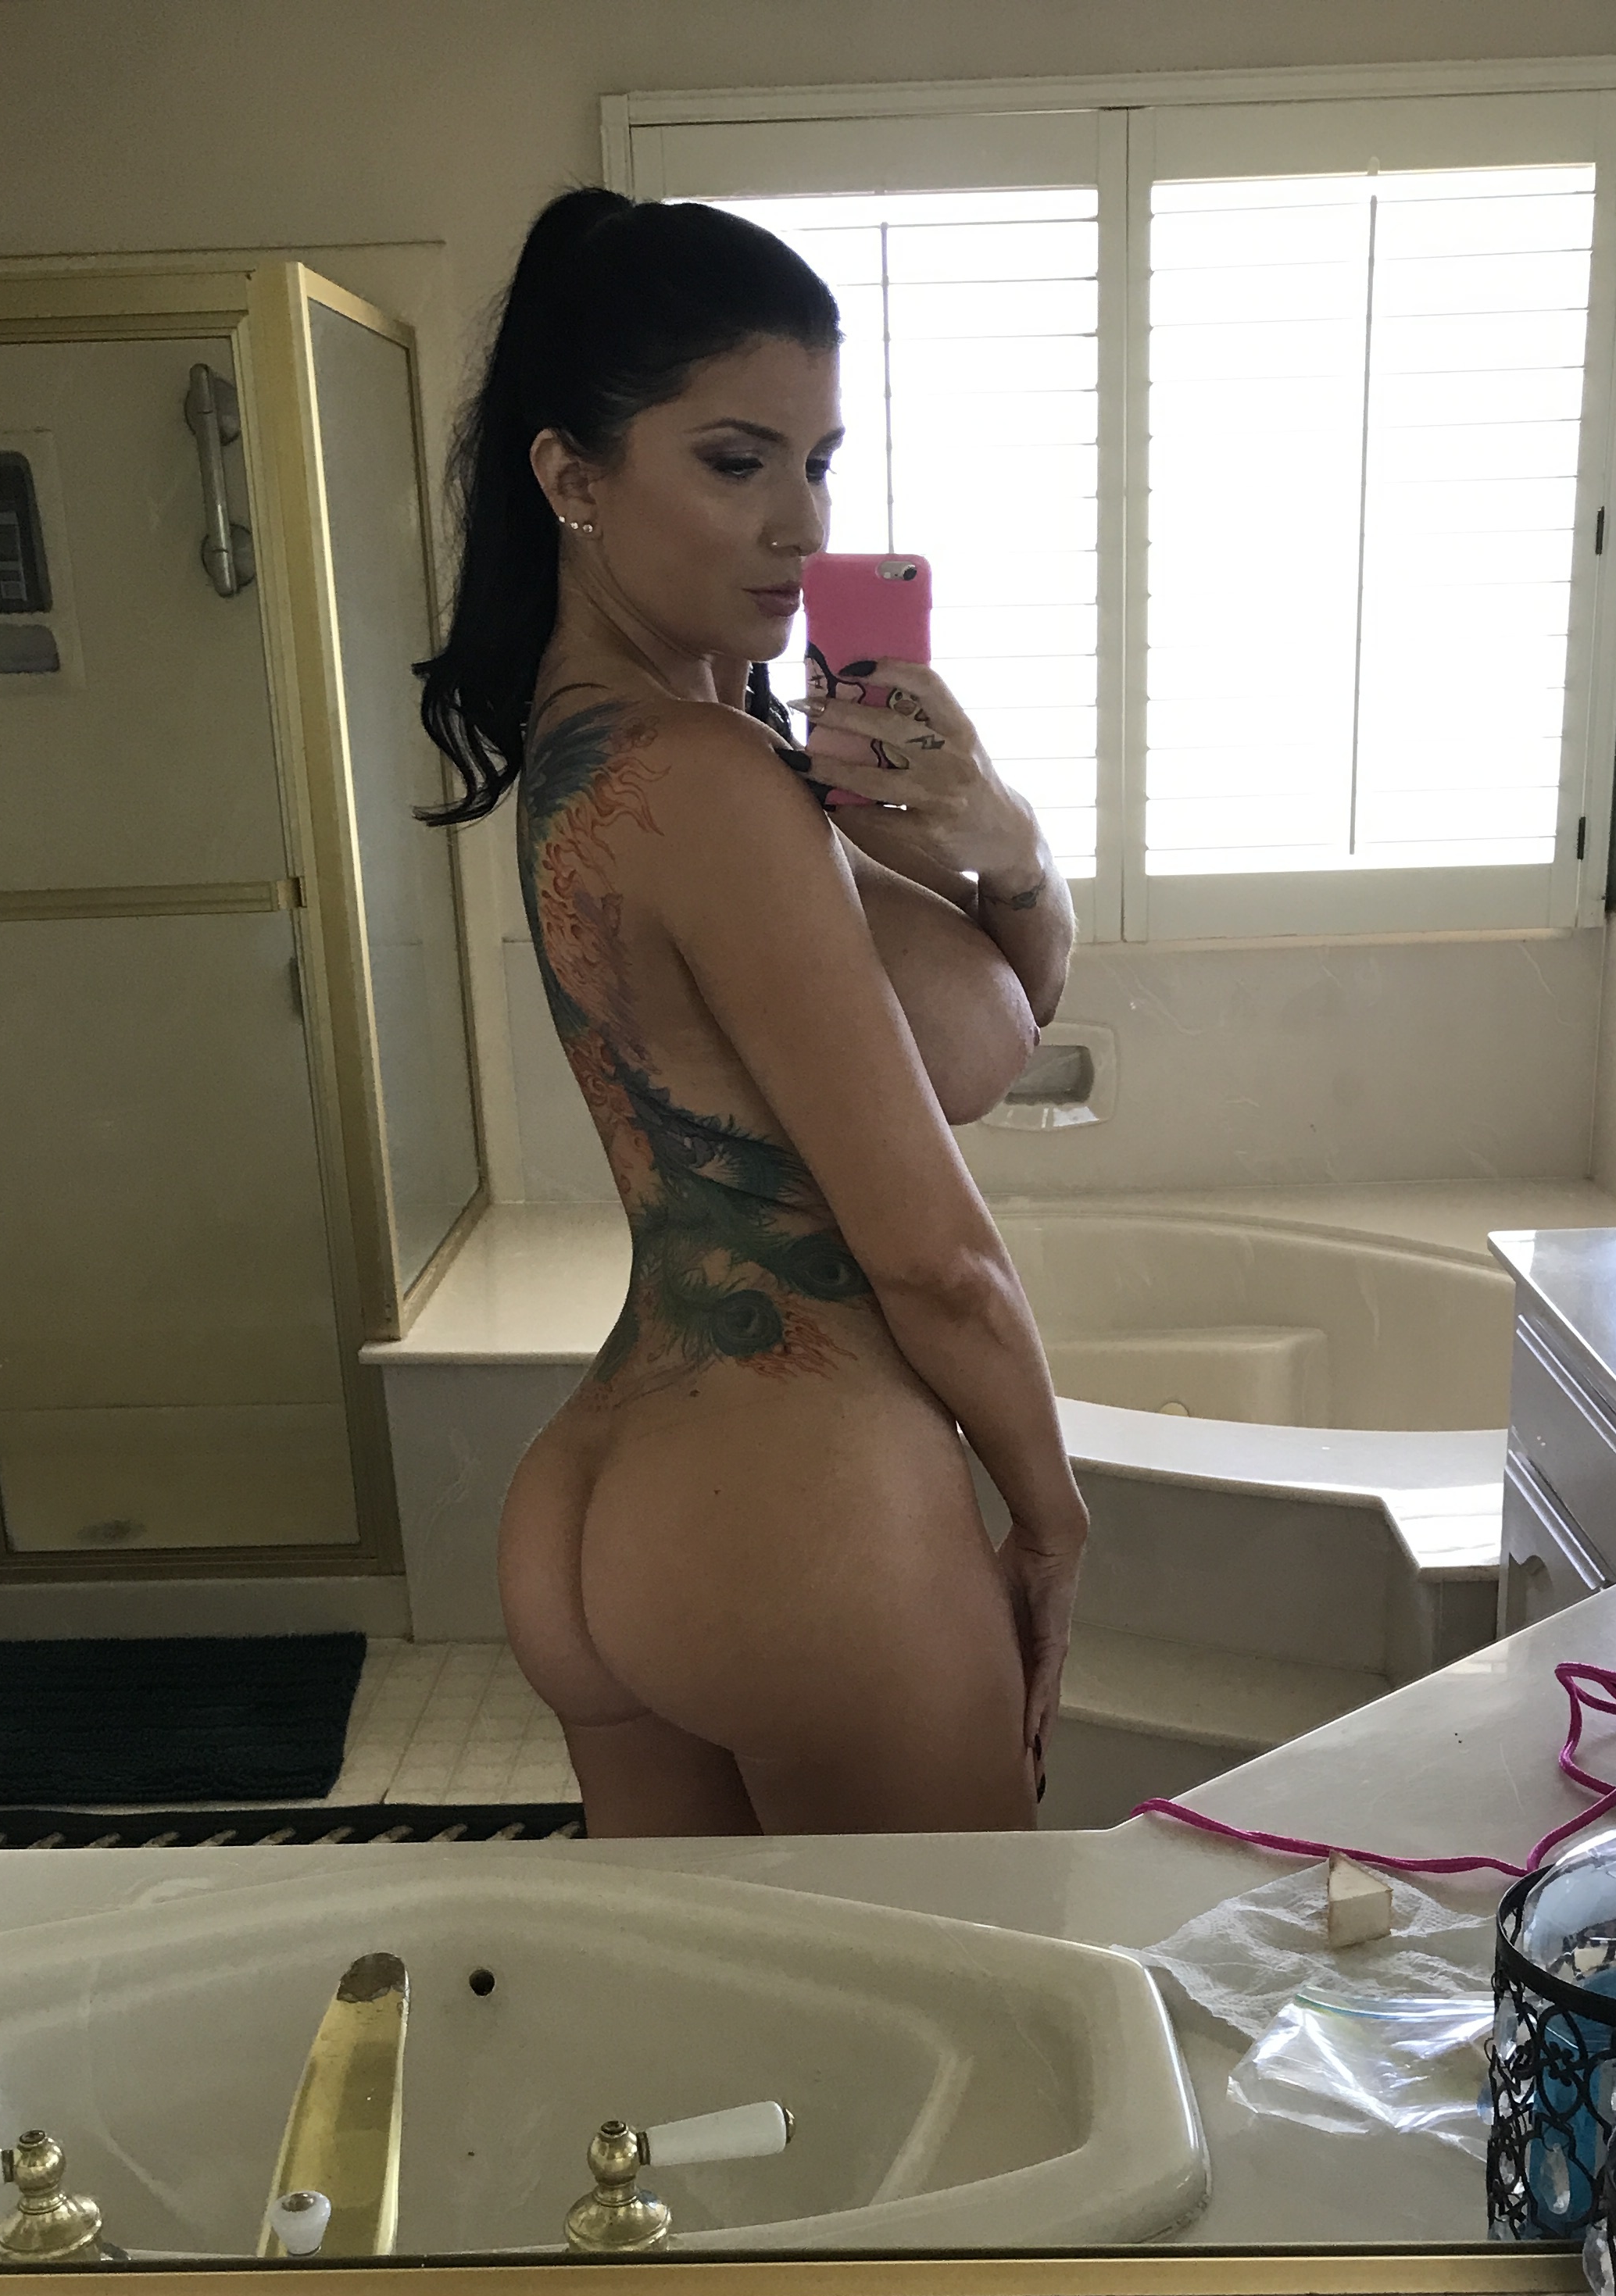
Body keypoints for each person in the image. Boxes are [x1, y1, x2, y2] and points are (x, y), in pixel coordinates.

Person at [418, 188, 1085, 1837]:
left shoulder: (603, 757)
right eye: (736, 462)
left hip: (605, 1486)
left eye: (821, 461)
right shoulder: (709, 780)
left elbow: (989, 1025)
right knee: (953, 1992)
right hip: (801, 1512)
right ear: (573, 478)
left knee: (698, 2012)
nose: (802, 524)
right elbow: (937, 1259)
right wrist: (1050, 1517)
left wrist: (995, 836)